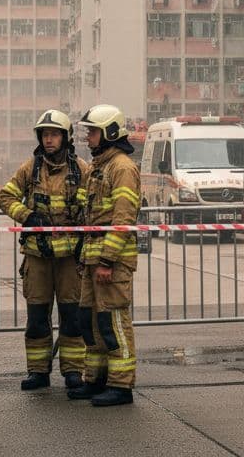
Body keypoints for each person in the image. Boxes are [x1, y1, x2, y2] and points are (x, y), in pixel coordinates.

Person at [0, 109, 90, 390]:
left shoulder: (81, 170)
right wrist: (26, 215)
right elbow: (6, 196)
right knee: (37, 317)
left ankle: (73, 371)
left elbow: (91, 207)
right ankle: (38, 371)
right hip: (37, 257)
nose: (49, 140)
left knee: (72, 317)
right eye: (45, 134)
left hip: (70, 260)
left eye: (54, 134)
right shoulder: (29, 168)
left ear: (66, 138)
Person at [68, 105, 142, 407]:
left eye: (93, 131)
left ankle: (121, 385)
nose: (88, 137)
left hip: (111, 262)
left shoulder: (122, 168)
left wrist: (108, 260)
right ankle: (96, 379)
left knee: (113, 323)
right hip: (91, 258)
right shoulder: (100, 166)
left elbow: (123, 218)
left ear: (110, 132)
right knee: (90, 320)